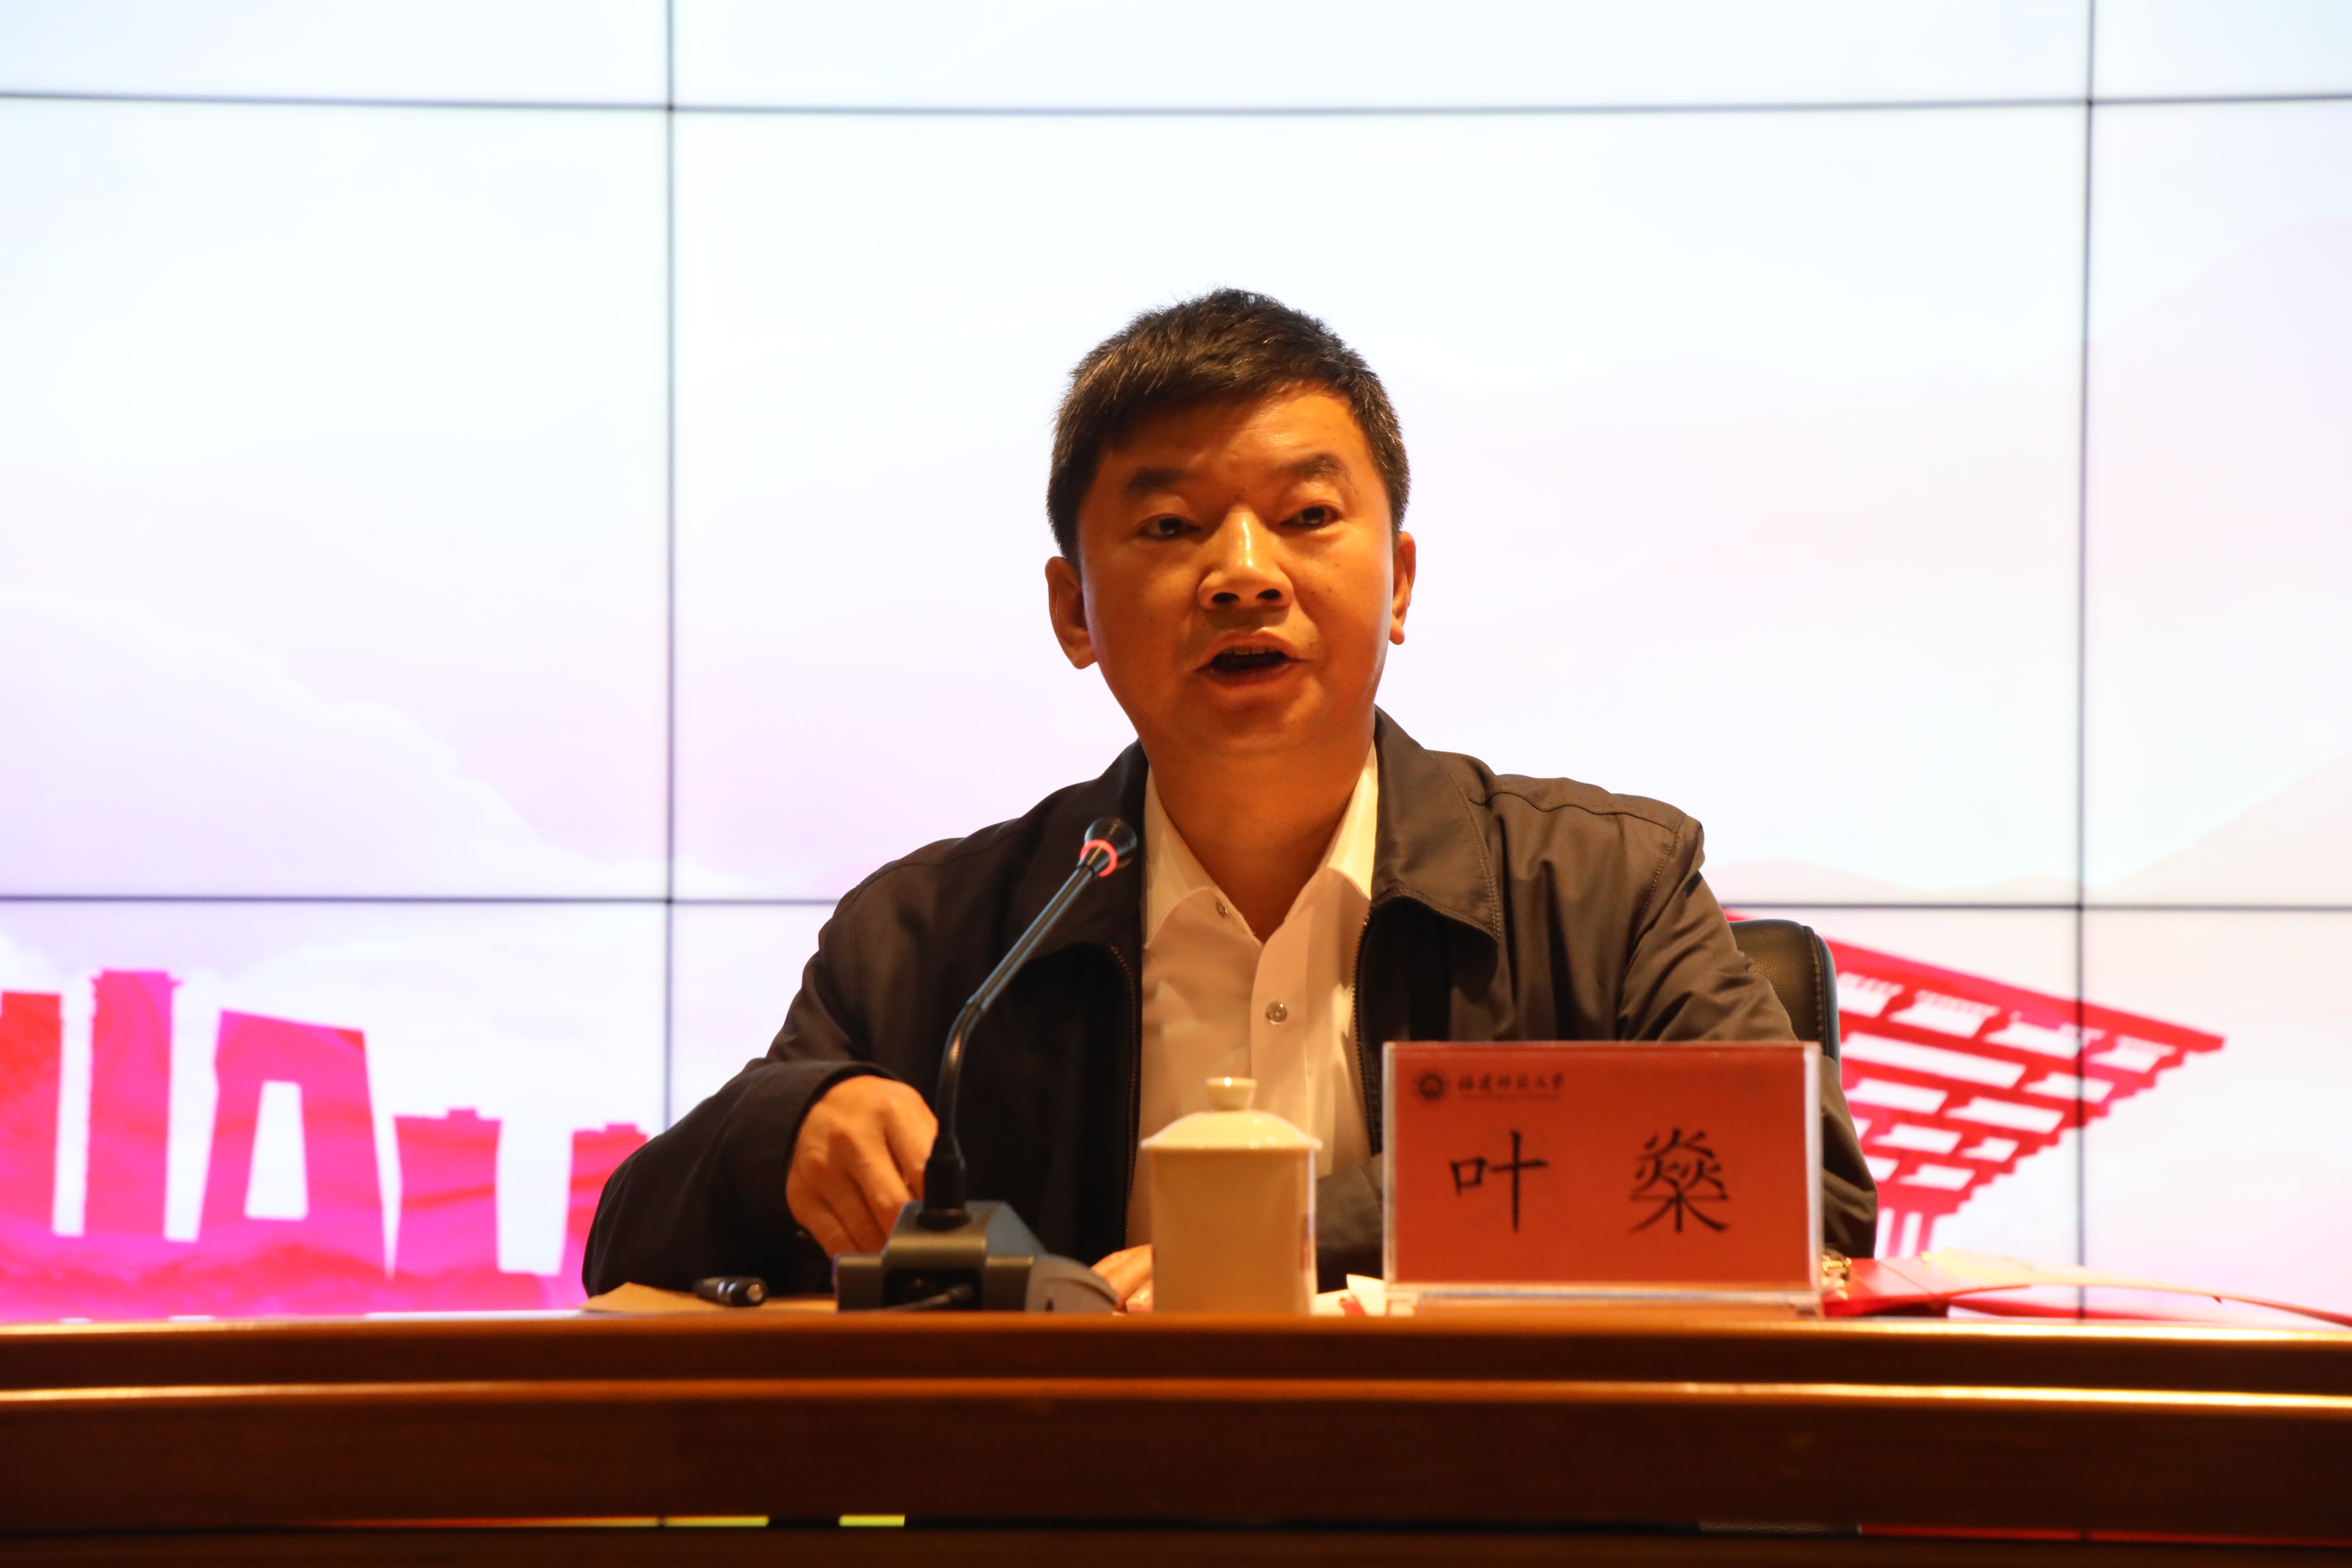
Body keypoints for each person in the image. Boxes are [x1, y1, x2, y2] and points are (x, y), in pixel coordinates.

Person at [584, 289, 1876, 1302]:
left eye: (1307, 517)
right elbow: (627, 1252)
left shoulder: (1599, 890)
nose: (1244, 574)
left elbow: (1808, 1201)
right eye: (1170, 528)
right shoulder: (938, 941)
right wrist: (785, 1130)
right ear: (1073, 611)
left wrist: (1299, 1235)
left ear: (1400, 582)